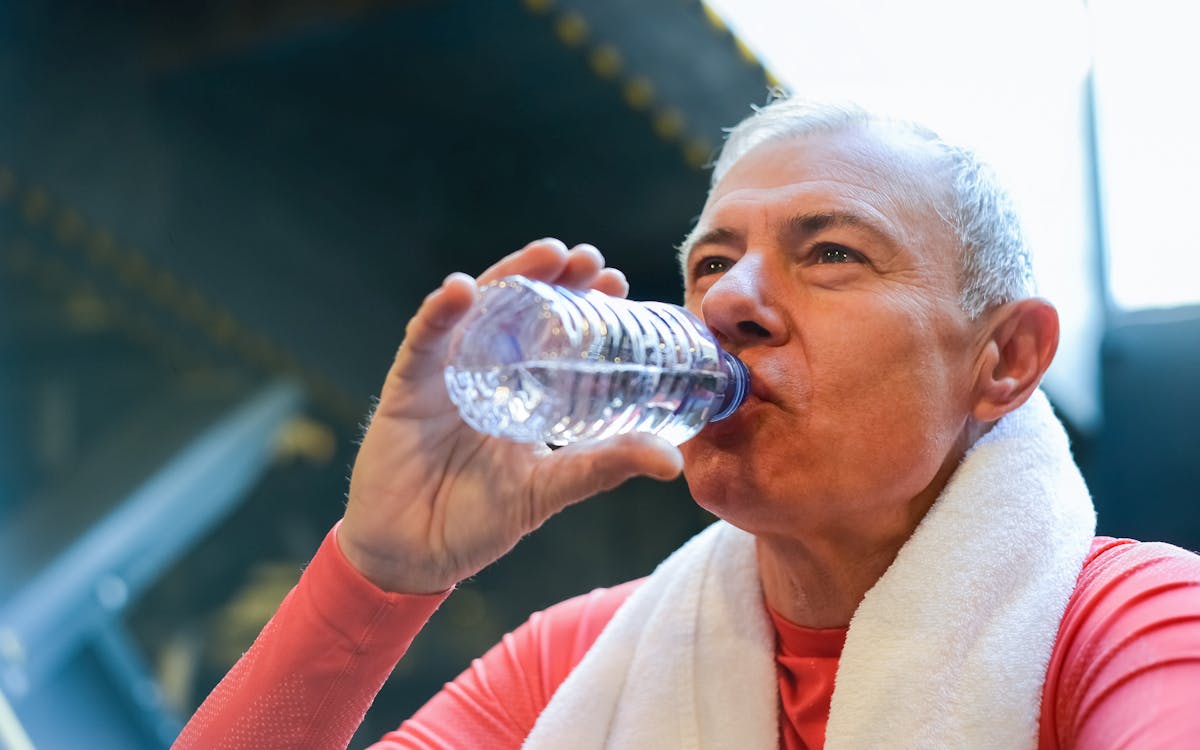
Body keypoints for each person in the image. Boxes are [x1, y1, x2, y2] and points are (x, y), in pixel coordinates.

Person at [173, 98, 1200, 749]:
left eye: (833, 253)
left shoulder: (1132, 629)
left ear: (1005, 361)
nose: (727, 304)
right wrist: (375, 575)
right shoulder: (577, 661)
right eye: (711, 263)